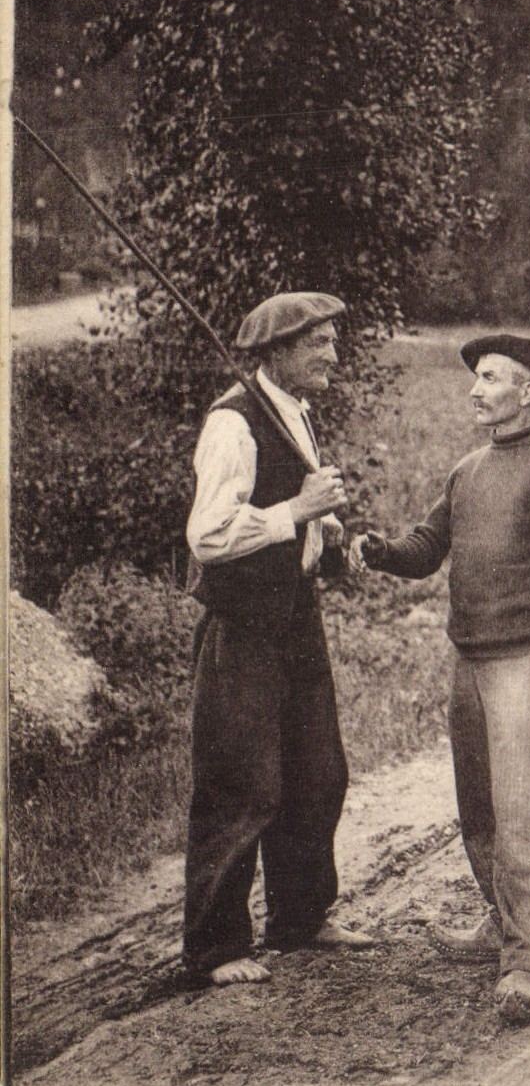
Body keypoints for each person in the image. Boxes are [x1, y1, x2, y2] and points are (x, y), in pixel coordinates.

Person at [349, 334, 530, 1026]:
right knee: (480, 806)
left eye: (489, 378)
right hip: (469, 659)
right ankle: (501, 921)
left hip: (525, 660)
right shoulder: (467, 469)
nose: (474, 388)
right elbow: (425, 549)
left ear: (527, 391)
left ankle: (529, 960)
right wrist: (376, 550)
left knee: (521, 810)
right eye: (476, 378)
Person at [183, 291, 375, 986]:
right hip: (243, 624)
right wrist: (297, 508)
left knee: (317, 770)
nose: (331, 353)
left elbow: (298, 516)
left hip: (297, 616)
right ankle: (215, 946)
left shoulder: (293, 411)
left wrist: (328, 539)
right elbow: (207, 534)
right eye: (318, 343)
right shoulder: (232, 422)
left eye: (331, 339)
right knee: (242, 781)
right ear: (278, 352)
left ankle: (299, 917)